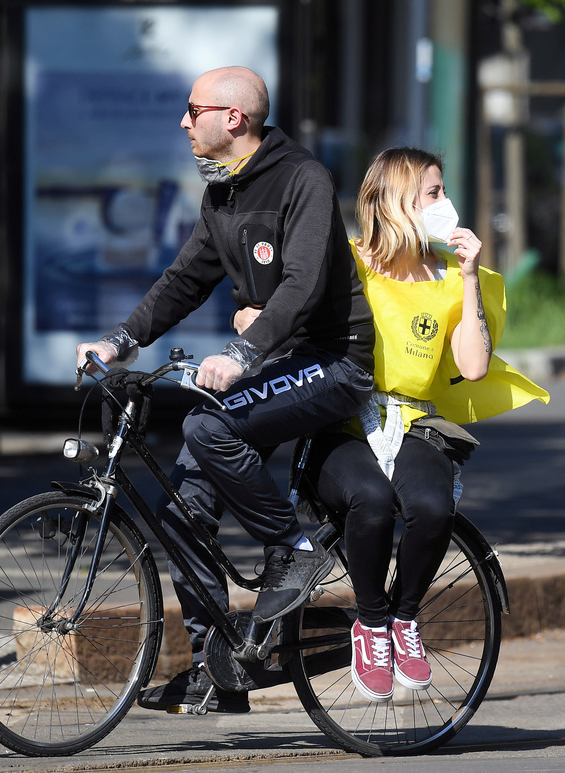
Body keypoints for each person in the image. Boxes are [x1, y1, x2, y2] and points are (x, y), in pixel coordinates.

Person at [76, 67, 375, 715]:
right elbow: (185, 280)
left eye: (193, 109)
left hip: (332, 360)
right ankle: (219, 667)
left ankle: (292, 550)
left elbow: (301, 285)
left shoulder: (303, 179)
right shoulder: (223, 193)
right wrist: (119, 341)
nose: (183, 122)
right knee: (182, 507)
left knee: (206, 427)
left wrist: (243, 351)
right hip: (279, 361)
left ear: (233, 118)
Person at [290, 147, 549, 702]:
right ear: (396, 201)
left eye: (443, 191)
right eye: (433, 192)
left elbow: (474, 366)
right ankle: (371, 623)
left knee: (432, 507)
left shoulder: (450, 276)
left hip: (414, 422)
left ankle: (403, 619)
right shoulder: (347, 262)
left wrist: (470, 275)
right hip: (342, 421)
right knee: (371, 500)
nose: (445, 202)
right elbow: (290, 308)